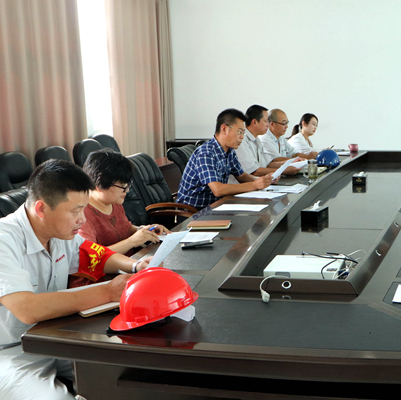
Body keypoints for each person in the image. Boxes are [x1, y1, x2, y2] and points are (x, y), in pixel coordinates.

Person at [0, 160, 153, 399]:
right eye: (75, 211)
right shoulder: (4, 240)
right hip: (10, 351)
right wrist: (107, 292)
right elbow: (27, 309)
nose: (82, 219)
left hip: (54, 336)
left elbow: (97, 255)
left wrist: (136, 266)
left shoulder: (59, 232)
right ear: (41, 209)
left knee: (125, 372)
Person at [177, 108, 275, 209]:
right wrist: (254, 185)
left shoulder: (230, 151)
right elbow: (218, 190)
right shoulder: (206, 153)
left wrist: (264, 180)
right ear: (224, 128)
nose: (242, 137)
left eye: (243, 133)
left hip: (216, 206)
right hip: (193, 212)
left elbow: (242, 176)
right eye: (240, 132)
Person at [80, 149, 169, 256]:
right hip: (113, 267)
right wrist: (131, 242)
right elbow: (92, 256)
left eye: (127, 185)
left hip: (131, 261)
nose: (127, 190)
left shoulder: (114, 202)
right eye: (122, 186)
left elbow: (126, 228)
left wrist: (146, 230)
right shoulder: (81, 214)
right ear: (98, 185)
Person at [235, 105, 299, 177]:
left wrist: (291, 162)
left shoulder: (257, 140)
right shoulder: (242, 140)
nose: (268, 125)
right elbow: (253, 171)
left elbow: (268, 164)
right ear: (254, 122)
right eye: (266, 121)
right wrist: (283, 171)